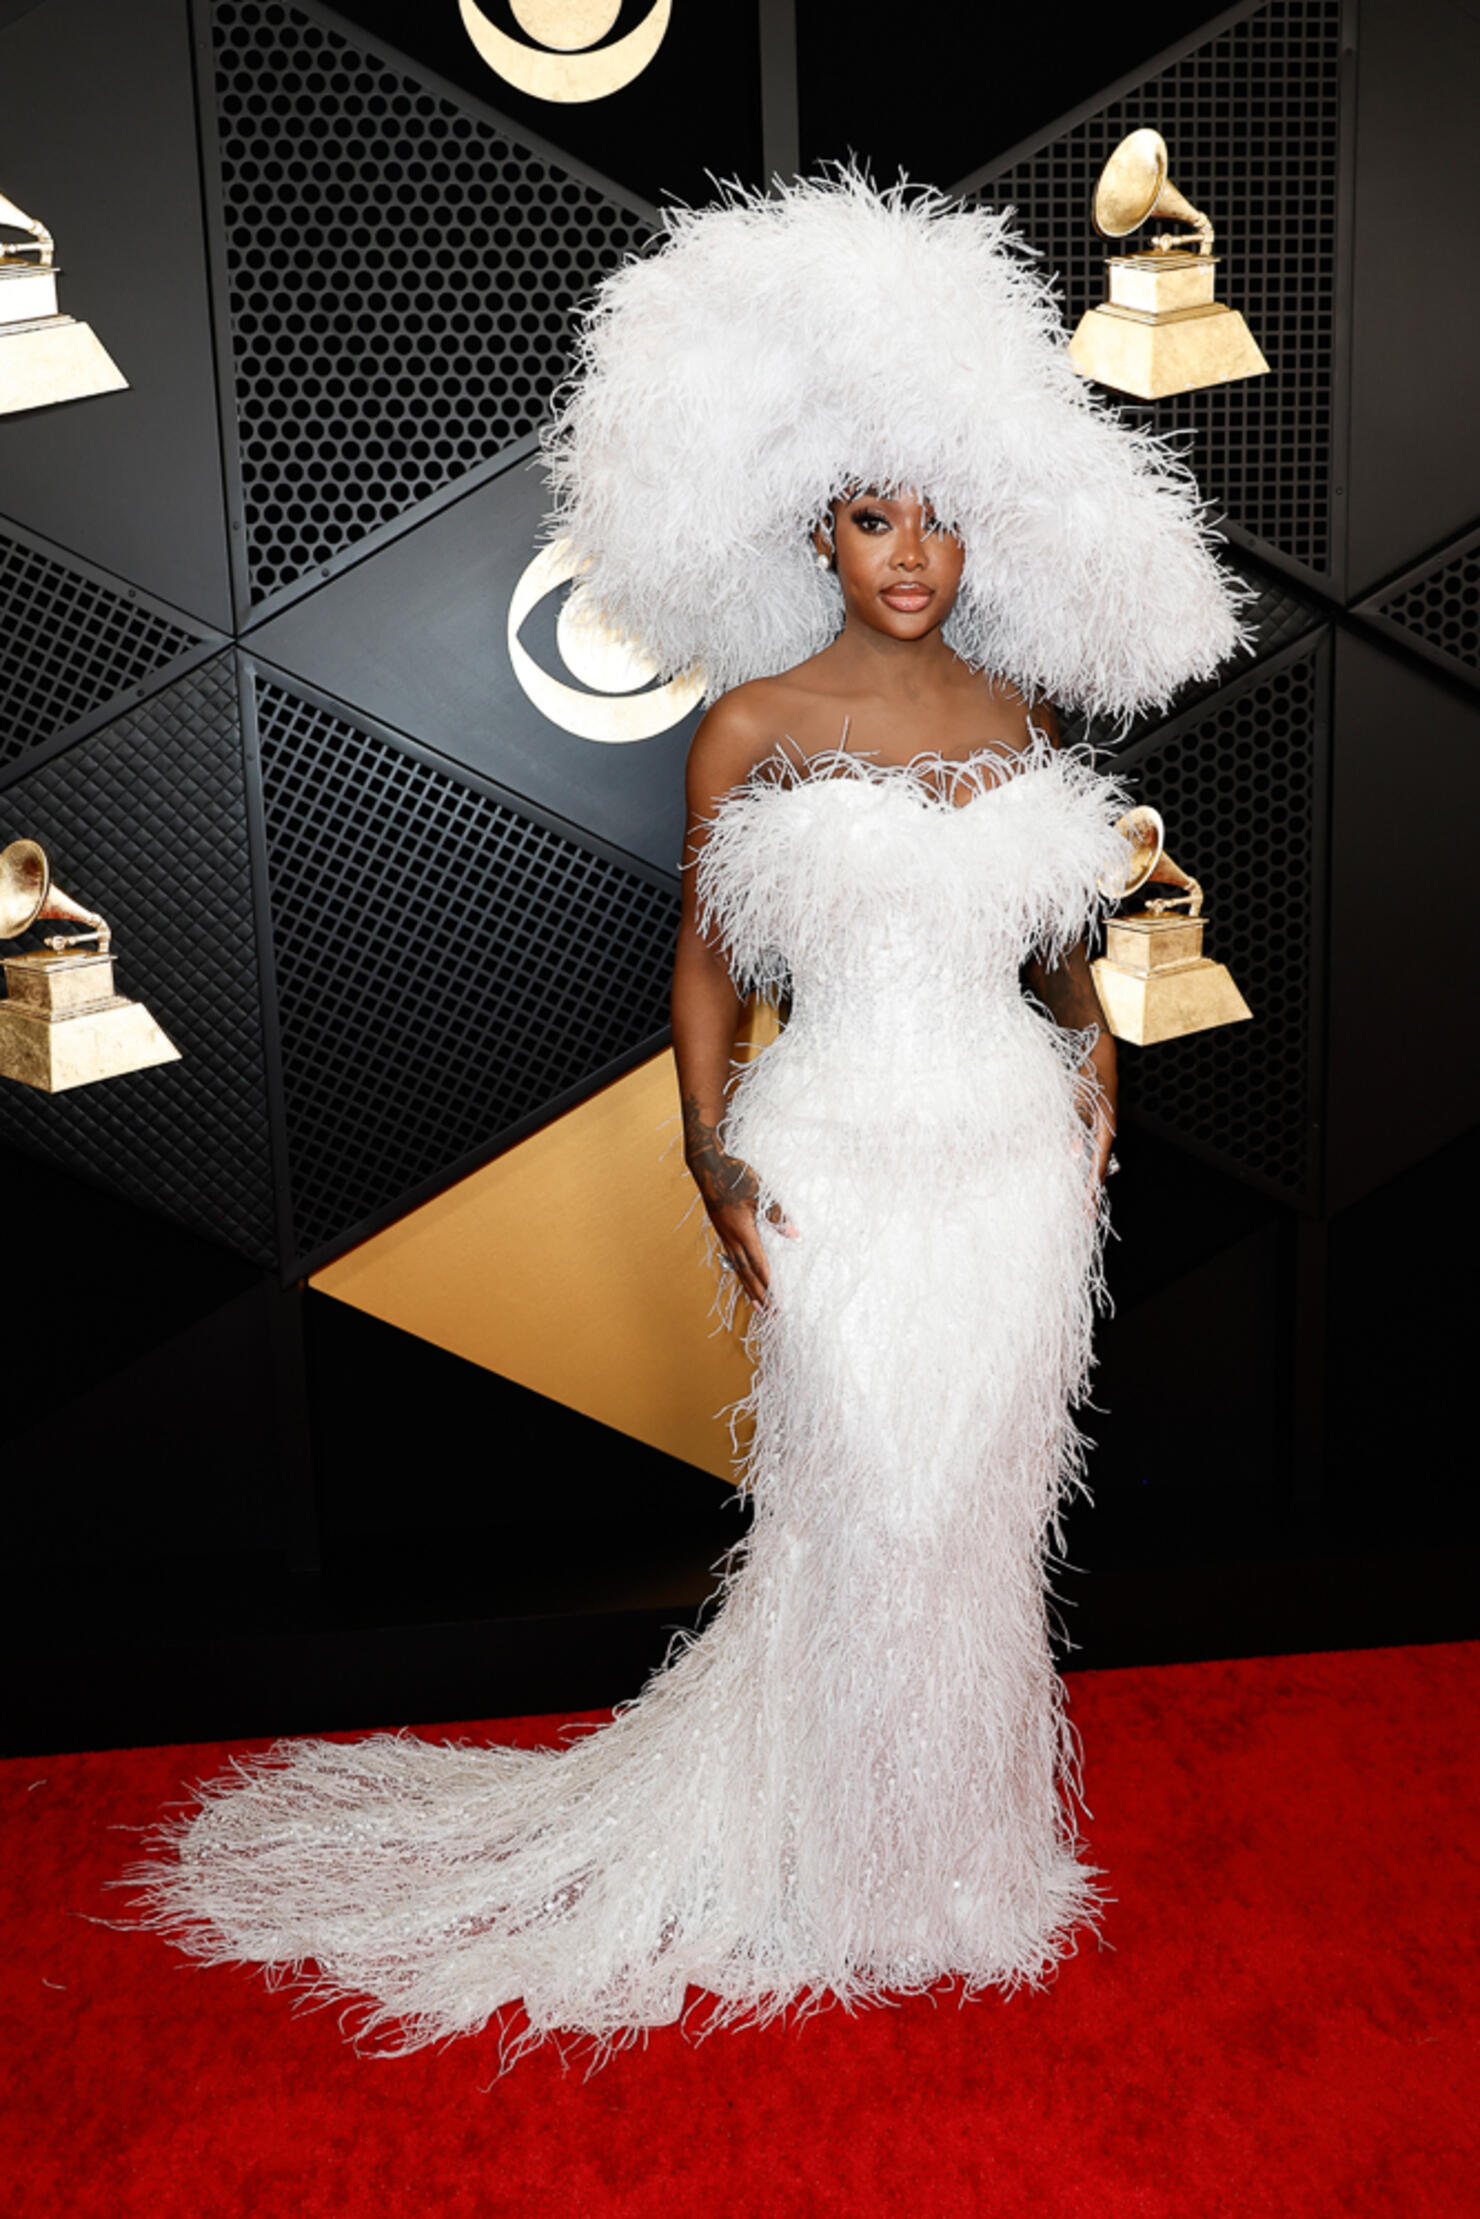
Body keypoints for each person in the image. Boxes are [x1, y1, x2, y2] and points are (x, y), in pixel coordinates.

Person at [130, 173, 1243, 2066]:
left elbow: (1059, 949)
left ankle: (953, 1864)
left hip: (1010, 1165)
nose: (910, 553)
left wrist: (1100, 1068)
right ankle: (820, 1850)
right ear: (816, 526)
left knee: (978, 1510)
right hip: (832, 1163)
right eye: (874, 518)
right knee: (866, 1501)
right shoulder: (753, 719)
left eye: (939, 522)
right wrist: (710, 1150)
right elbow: (708, 970)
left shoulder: (1021, 715)